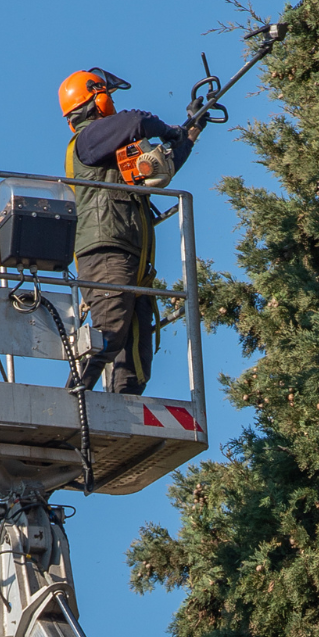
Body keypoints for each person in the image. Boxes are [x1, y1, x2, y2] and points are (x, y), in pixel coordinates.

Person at [58, 68, 199, 394]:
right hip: (106, 251)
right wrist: (169, 130)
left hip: (132, 258)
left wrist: (191, 131)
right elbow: (137, 120)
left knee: (135, 357)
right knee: (109, 332)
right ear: (95, 99)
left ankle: (124, 408)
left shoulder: (110, 149)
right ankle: (69, 399)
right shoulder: (89, 139)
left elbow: (163, 167)